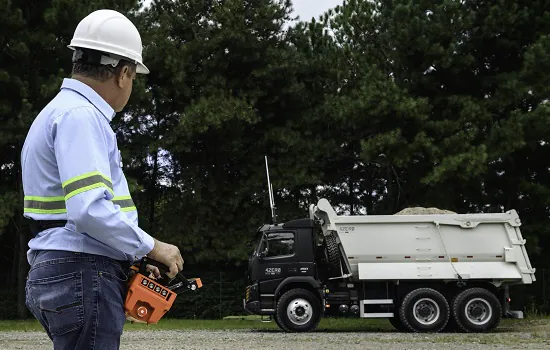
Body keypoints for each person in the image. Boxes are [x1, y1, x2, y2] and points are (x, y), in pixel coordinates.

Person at [20, 9, 184, 349]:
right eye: (134, 77)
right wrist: (155, 247)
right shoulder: (82, 117)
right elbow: (88, 210)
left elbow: (68, 216)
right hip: (82, 272)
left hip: (61, 269)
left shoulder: (56, 113)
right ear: (123, 73)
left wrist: (133, 259)